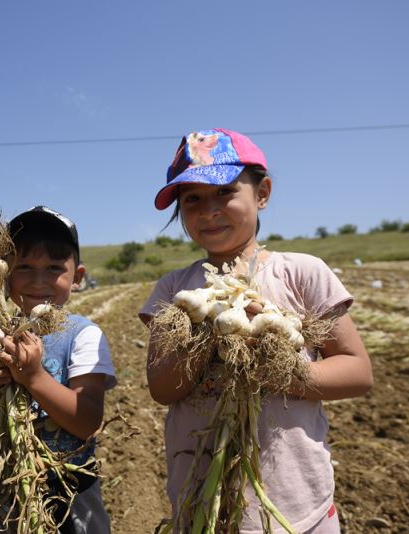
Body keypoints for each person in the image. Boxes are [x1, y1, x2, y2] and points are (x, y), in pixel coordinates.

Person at [138, 128, 373, 533]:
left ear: (262, 193)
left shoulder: (301, 272)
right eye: (192, 199)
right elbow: (162, 389)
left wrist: (275, 368)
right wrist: (207, 335)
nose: (208, 210)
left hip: (296, 508)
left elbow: (357, 372)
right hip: (202, 504)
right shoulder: (174, 290)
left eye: (225, 192)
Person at [0, 206, 117, 533]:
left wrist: (35, 378)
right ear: (2, 276)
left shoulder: (83, 335)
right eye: (25, 267)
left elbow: (87, 422)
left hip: (71, 497)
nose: (39, 281)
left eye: (54, 268)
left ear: (78, 278)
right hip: (6, 497)